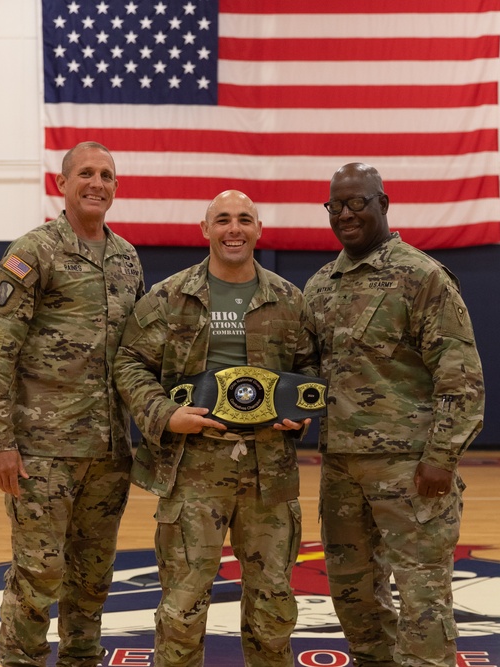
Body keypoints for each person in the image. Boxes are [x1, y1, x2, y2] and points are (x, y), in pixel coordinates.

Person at [113, 190, 317, 667]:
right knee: (182, 609)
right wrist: (164, 414)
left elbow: (309, 371)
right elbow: (129, 361)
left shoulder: (289, 299)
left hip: (270, 470)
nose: (234, 229)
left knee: (274, 609)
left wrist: (299, 412)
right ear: (205, 230)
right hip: (193, 468)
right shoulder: (170, 296)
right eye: (222, 219)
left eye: (244, 219)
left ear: (259, 230)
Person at [302, 163, 485, 667]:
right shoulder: (320, 285)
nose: (345, 214)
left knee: (423, 602)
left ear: (383, 203)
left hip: (411, 471)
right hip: (340, 469)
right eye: (335, 205)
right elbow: (308, 378)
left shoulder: (421, 276)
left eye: (357, 202)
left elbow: (461, 378)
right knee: (353, 594)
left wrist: (441, 458)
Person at [0, 141, 145, 667]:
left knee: (91, 579)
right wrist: (0, 443)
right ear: (62, 184)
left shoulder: (127, 258)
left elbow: (140, 354)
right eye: (86, 173)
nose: (97, 183)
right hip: (43, 452)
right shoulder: (35, 251)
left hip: (109, 453)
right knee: (40, 573)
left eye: (107, 175)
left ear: (116, 188)